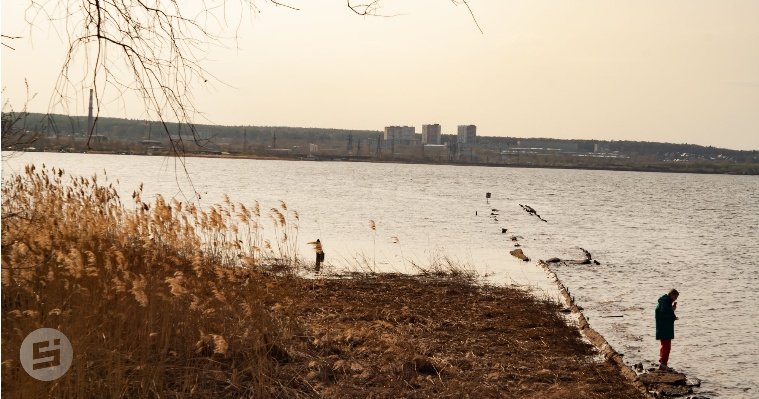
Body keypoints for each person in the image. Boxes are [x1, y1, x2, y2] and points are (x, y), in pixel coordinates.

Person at [655, 288, 679, 371]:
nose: (675, 299)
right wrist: (672, 314)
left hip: (662, 327)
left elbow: (665, 312)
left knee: (664, 346)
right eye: (675, 297)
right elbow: (664, 313)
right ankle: (663, 364)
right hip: (664, 328)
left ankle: (662, 363)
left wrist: (671, 310)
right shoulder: (665, 302)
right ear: (671, 295)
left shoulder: (665, 302)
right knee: (667, 346)